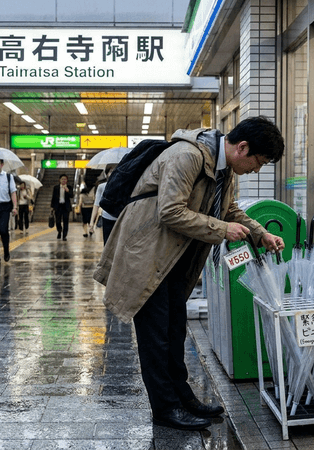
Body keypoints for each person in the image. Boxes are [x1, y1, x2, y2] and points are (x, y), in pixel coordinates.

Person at [93, 117, 286, 430]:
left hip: (171, 256)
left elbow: (229, 209)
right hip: (148, 254)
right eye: (258, 162)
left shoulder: (222, 168)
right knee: (156, 337)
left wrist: (259, 233)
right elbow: (170, 211)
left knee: (174, 331)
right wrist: (223, 229)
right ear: (242, 147)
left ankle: (183, 397)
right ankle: (165, 409)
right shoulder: (188, 157)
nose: (257, 169)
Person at [90, 167, 118, 245]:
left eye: (115, 171)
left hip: (121, 217)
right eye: (111, 171)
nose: (112, 173)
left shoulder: (123, 185)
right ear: (106, 174)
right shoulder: (101, 186)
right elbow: (96, 204)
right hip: (107, 217)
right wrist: (91, 222)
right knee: (107, 243)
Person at [50, 174, 73, 240]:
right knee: (58, 221)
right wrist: (52, 207)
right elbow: (53, 197)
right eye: (62, 179)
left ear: (67, 180)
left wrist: (67, 191)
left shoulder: (69, 187)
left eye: (65, 179)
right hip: (58, 206)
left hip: (66, 207)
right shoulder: (56, 187)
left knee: (66, 221)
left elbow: (72, 195)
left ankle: (64, 235)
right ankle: (59, 231)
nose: (63, 180)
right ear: (59, 180)